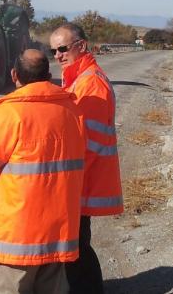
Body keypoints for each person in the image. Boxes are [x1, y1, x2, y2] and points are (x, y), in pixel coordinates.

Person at [0, 49, 87, 294]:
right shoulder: (72, 110)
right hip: (59, 225)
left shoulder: (10, 113)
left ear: (14, 74)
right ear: (48, 76)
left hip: (20, 233)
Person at [49, 23, 123, 294]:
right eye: (53, 50)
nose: (57, 55)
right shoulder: (78, 77)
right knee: (76, 249)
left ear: (81, 46)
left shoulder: (90, 83)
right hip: (81, 179)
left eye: (63, 48)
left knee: (76, 252)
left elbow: (84, 143)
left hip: (83, 181)